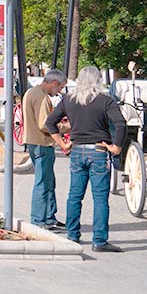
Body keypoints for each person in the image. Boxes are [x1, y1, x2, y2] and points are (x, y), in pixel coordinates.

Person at [46, 66, 127, 253]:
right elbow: (120, 124)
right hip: (99, 151)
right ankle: (99, 240)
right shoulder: (106, 101)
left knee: (74, 196)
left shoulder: (68, 100)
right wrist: (117, 147)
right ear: (97, 81)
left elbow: (50, 123)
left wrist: (62, 144)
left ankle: (73, 235)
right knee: (100, 199)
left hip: (76, 152)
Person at [22, 69, 67, 230]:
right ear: (54, 83)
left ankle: (48, 217)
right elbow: (45, 124)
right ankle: (39, 220)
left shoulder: (31, 92)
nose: (59, 91)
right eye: (60, 88)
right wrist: (67, 127)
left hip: (34, 141)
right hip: (42, 143)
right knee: (43, 182)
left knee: (48, 181)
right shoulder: (42, 98)